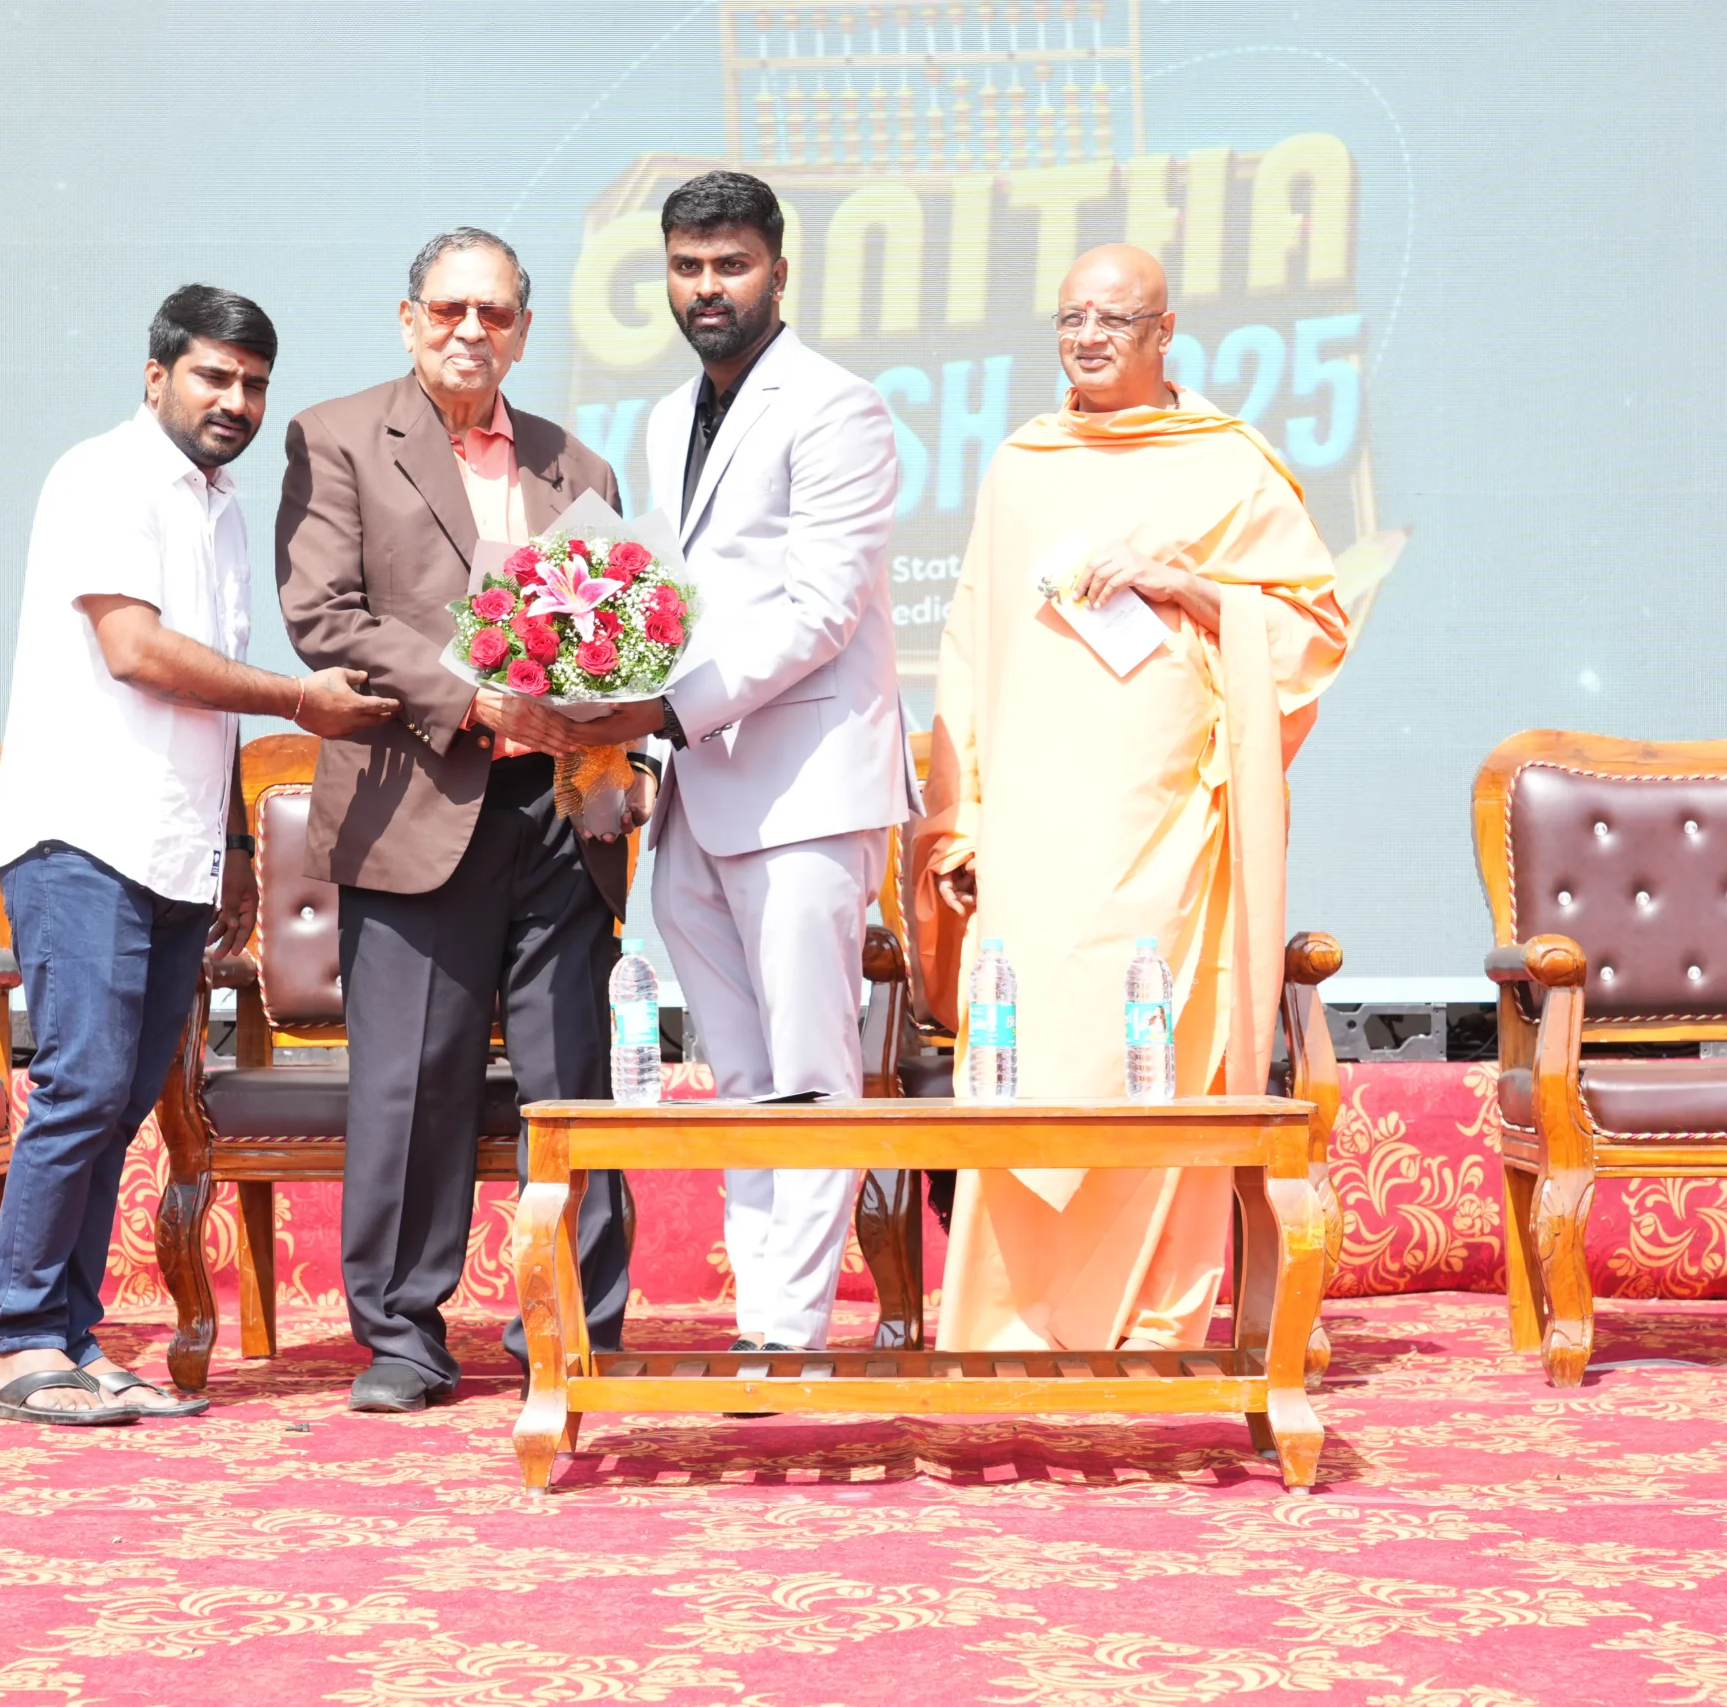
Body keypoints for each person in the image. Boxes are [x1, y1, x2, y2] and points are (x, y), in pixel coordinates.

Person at [914, 244, 1350, 1353]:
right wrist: (956, 814)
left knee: (1144, 1047)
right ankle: (1006, 1324)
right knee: (1026, 1054)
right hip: (1030, 826)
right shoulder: (1021, 461)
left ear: (1165, 334)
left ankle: (1147, 1324)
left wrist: (1184, 586)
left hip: (1164, 822)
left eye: (1114, 319)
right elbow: (969, 642)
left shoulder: (1225, 466)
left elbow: (1311, 632)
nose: (1089, 338)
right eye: (1070, 320)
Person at [0, 285, 398, 1424]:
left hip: (172, 847)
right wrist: (304, 704)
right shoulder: (102, 474)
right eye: (214, 376)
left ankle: (70, 1337)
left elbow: (201, 711)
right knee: (80, 1089)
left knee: (118, 1105)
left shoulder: (215, 504)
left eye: (254, 384)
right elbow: (136, 651)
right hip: (83, 834)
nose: (236, 401)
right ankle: (17, 1341)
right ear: (156, 374)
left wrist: (236, 848)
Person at [278, 228, 636, 1414]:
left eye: (494, 312)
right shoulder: (335, 437)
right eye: (448, 310)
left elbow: (621, 622)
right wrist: (467, 694)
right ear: (407, 317)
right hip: (419, 797)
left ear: (526, 328)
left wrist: (616, 706)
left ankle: (575, 1327)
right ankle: (399, 1334)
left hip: (563, 813)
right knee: (410, 1084)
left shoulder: (577, 464)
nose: (470, 331)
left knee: (569, 1083)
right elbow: (325, 618)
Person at [574, 172, 913, 1355]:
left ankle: (789, 1332)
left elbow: (821, 609)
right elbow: (672, 602)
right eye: (686, 266)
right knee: (737, 1076)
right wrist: (601, 701)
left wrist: (657, 709)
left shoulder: (839, 407)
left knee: (810, 1072)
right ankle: (767, 1321)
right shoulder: (665, 421)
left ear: (779, 268)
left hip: (808, 785)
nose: (706, 288)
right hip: (695, 799)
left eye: (730, 265)